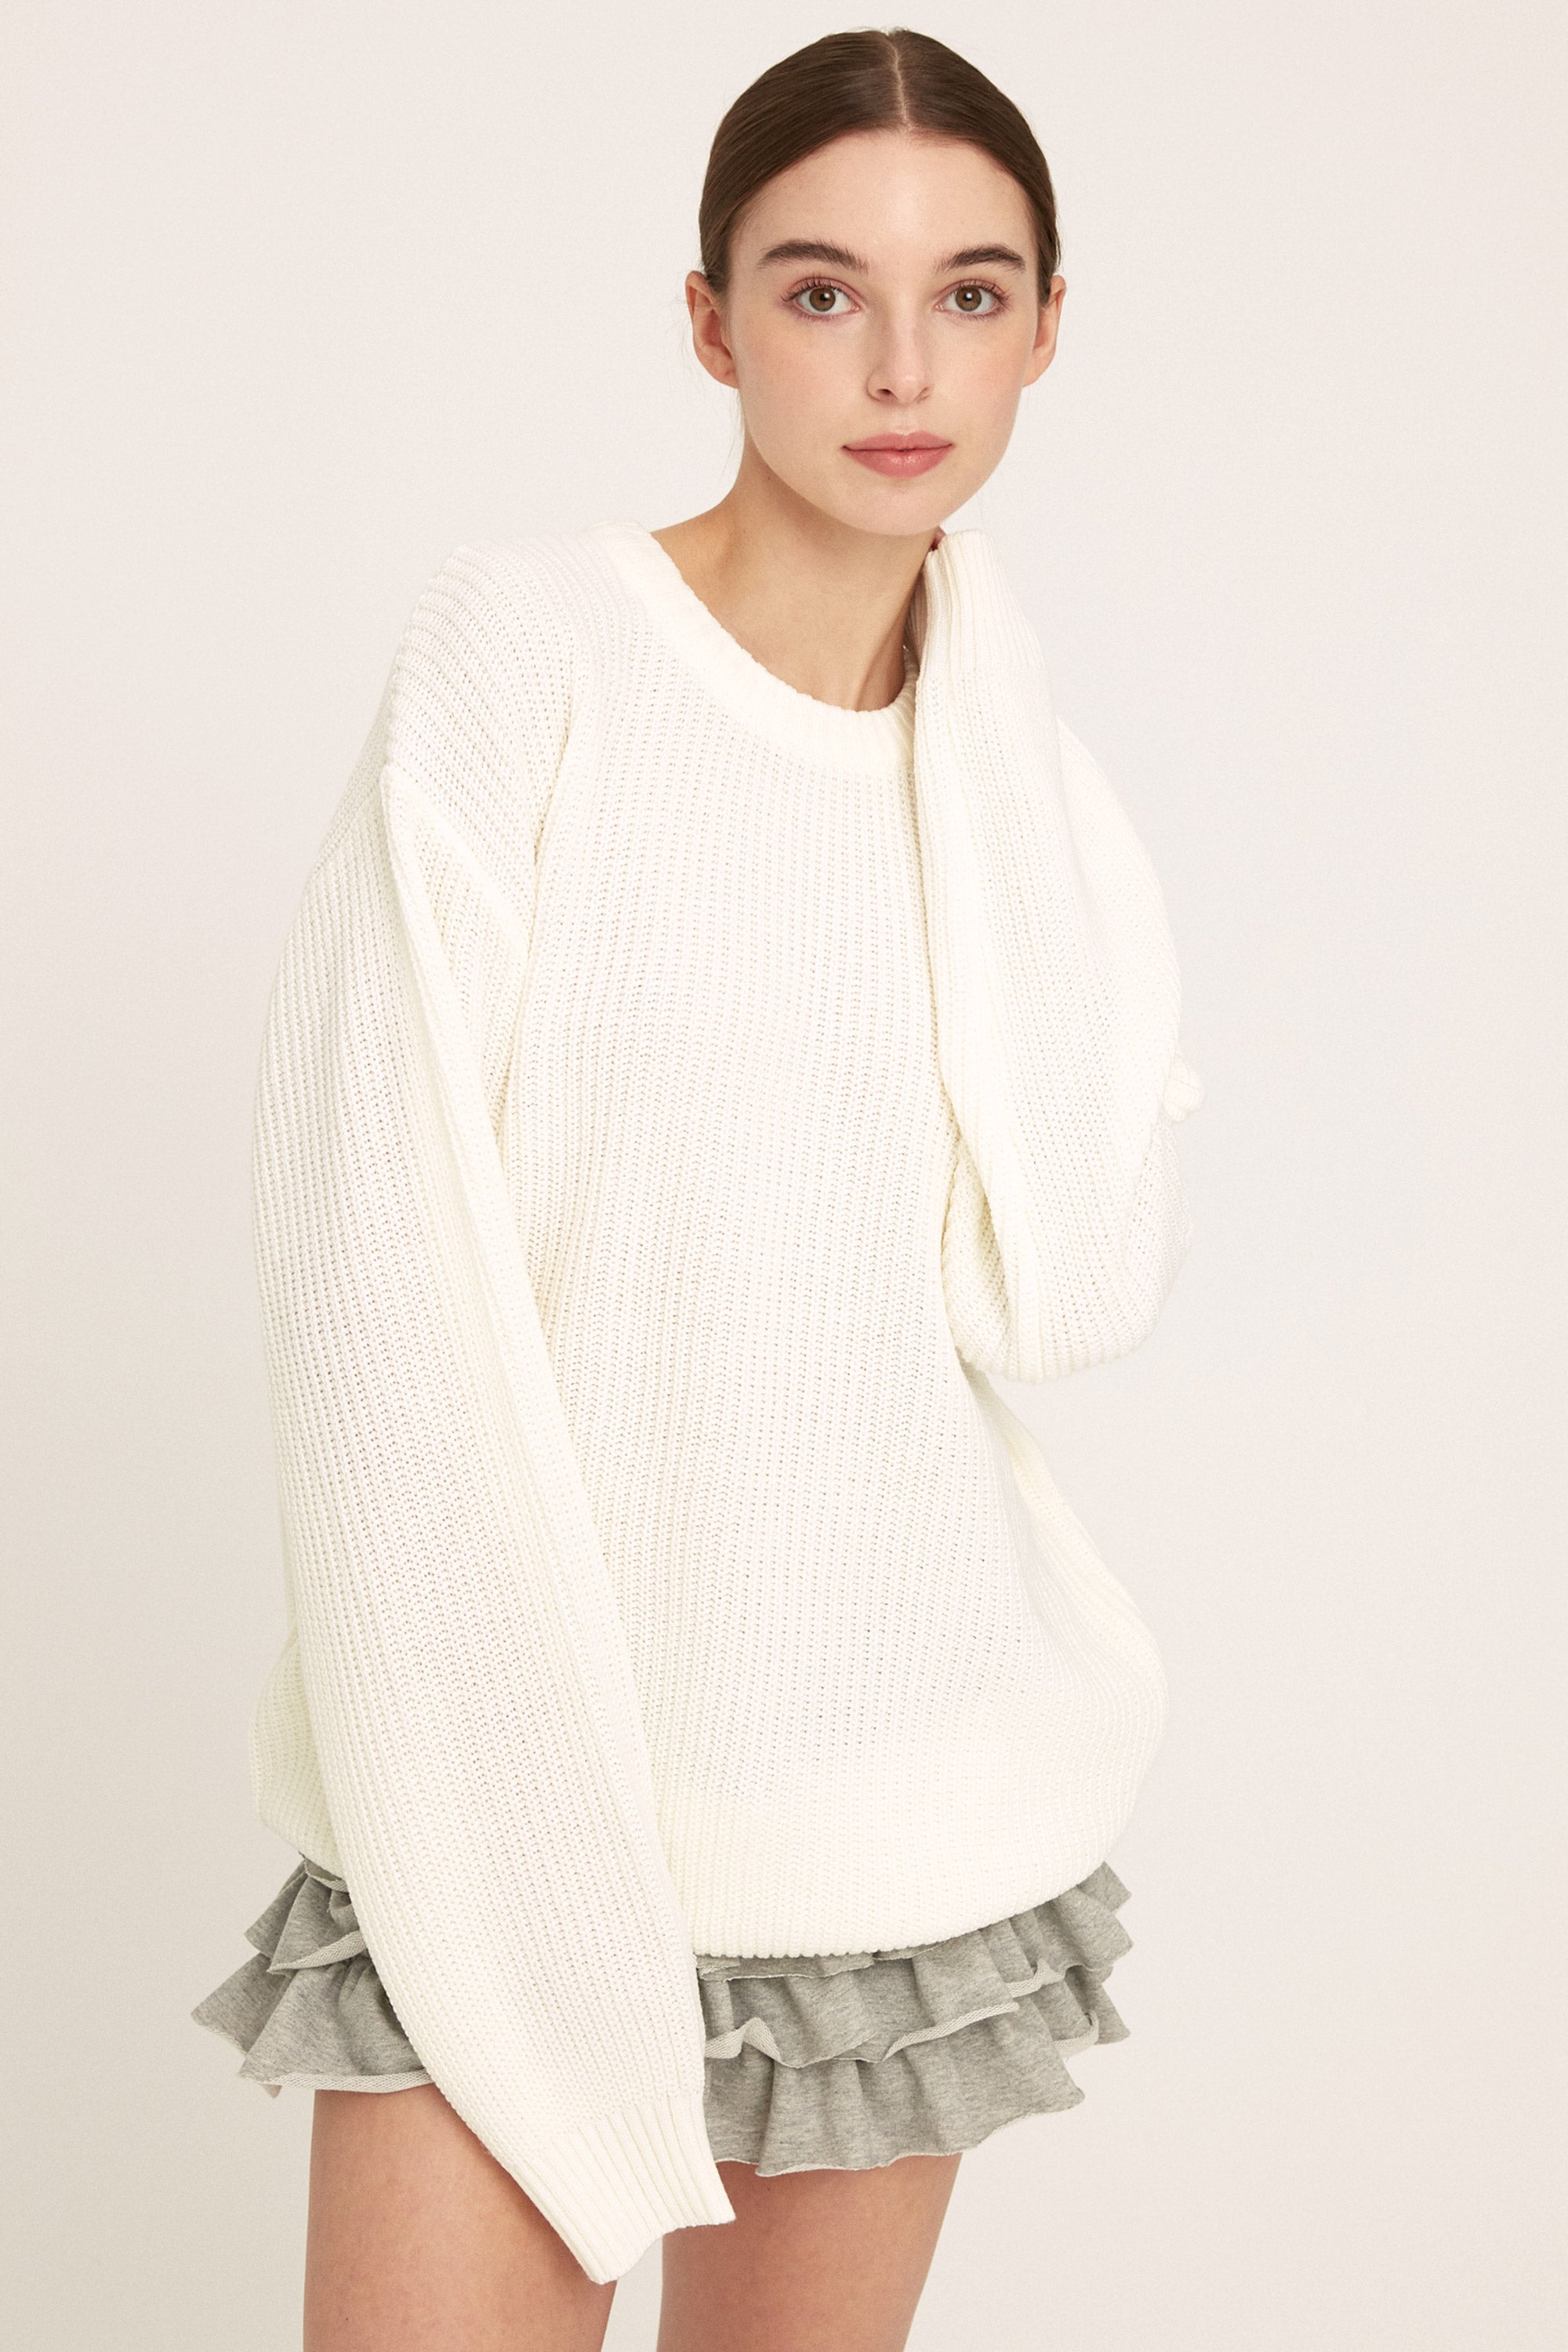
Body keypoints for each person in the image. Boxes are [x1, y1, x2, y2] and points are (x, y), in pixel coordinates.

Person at [192, 26, 1203, 2351]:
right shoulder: (527, 654)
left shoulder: (1020, 772)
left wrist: (1000, 757)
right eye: (823, 290)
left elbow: (1067, 1287)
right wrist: (492, 1809)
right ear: (711, 321)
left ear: (1048, 329)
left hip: (888, 1796)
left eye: (969, 295)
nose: (900, 367)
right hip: (504, 1774)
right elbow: (366, 1262)